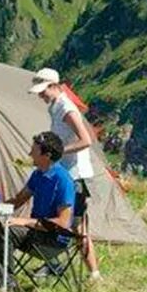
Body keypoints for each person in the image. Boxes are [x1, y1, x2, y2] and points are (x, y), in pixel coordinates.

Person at [0, 131, 77, 283]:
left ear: (47, 155)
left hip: (53, 238)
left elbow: (63, 223)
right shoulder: (38, 174)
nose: (30, 153)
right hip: (35, 231)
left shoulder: (63, 180)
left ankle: (5, 283)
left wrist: (24, 222)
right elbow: (19, 200)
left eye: (34, 150)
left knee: (5, 229)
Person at [31, 68, 101, 279]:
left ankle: (94, 274)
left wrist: (57, 152)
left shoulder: (67, 108)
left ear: (54, 86)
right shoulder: (54, 106)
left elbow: (86, 140)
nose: (40, 95)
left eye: (43, 91)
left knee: (77, 227)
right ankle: (52, 263)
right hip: (63, 173)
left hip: (75, 176)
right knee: (50, 218)